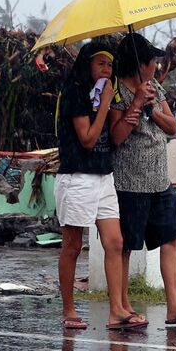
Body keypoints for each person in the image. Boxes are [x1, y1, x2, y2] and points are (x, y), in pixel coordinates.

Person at [109, 32, 176, 325]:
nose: (156, 67)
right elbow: (116, 136)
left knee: (170, 239)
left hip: (160, 180)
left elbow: (172, 126)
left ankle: (174, 306)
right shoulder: (116, 94)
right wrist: (136, 105)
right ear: (140, 64)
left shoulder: (154, 89)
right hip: (130, 182)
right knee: (126, 246)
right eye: (152, 62)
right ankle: (123, 307)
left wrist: (151, 108)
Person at [55, 42, 148, 330]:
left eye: (110, 65)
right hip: (78, 176)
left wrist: (128, 106)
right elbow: (88, 139)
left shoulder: (105, 93)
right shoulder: (75, 93)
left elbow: (112, 134)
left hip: (103, 174)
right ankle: (69, 310)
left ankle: (117, 310)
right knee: (72, 245)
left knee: (115, 242)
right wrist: (106, 103)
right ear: (87, 65)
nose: (107, 70)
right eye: (100, 64)